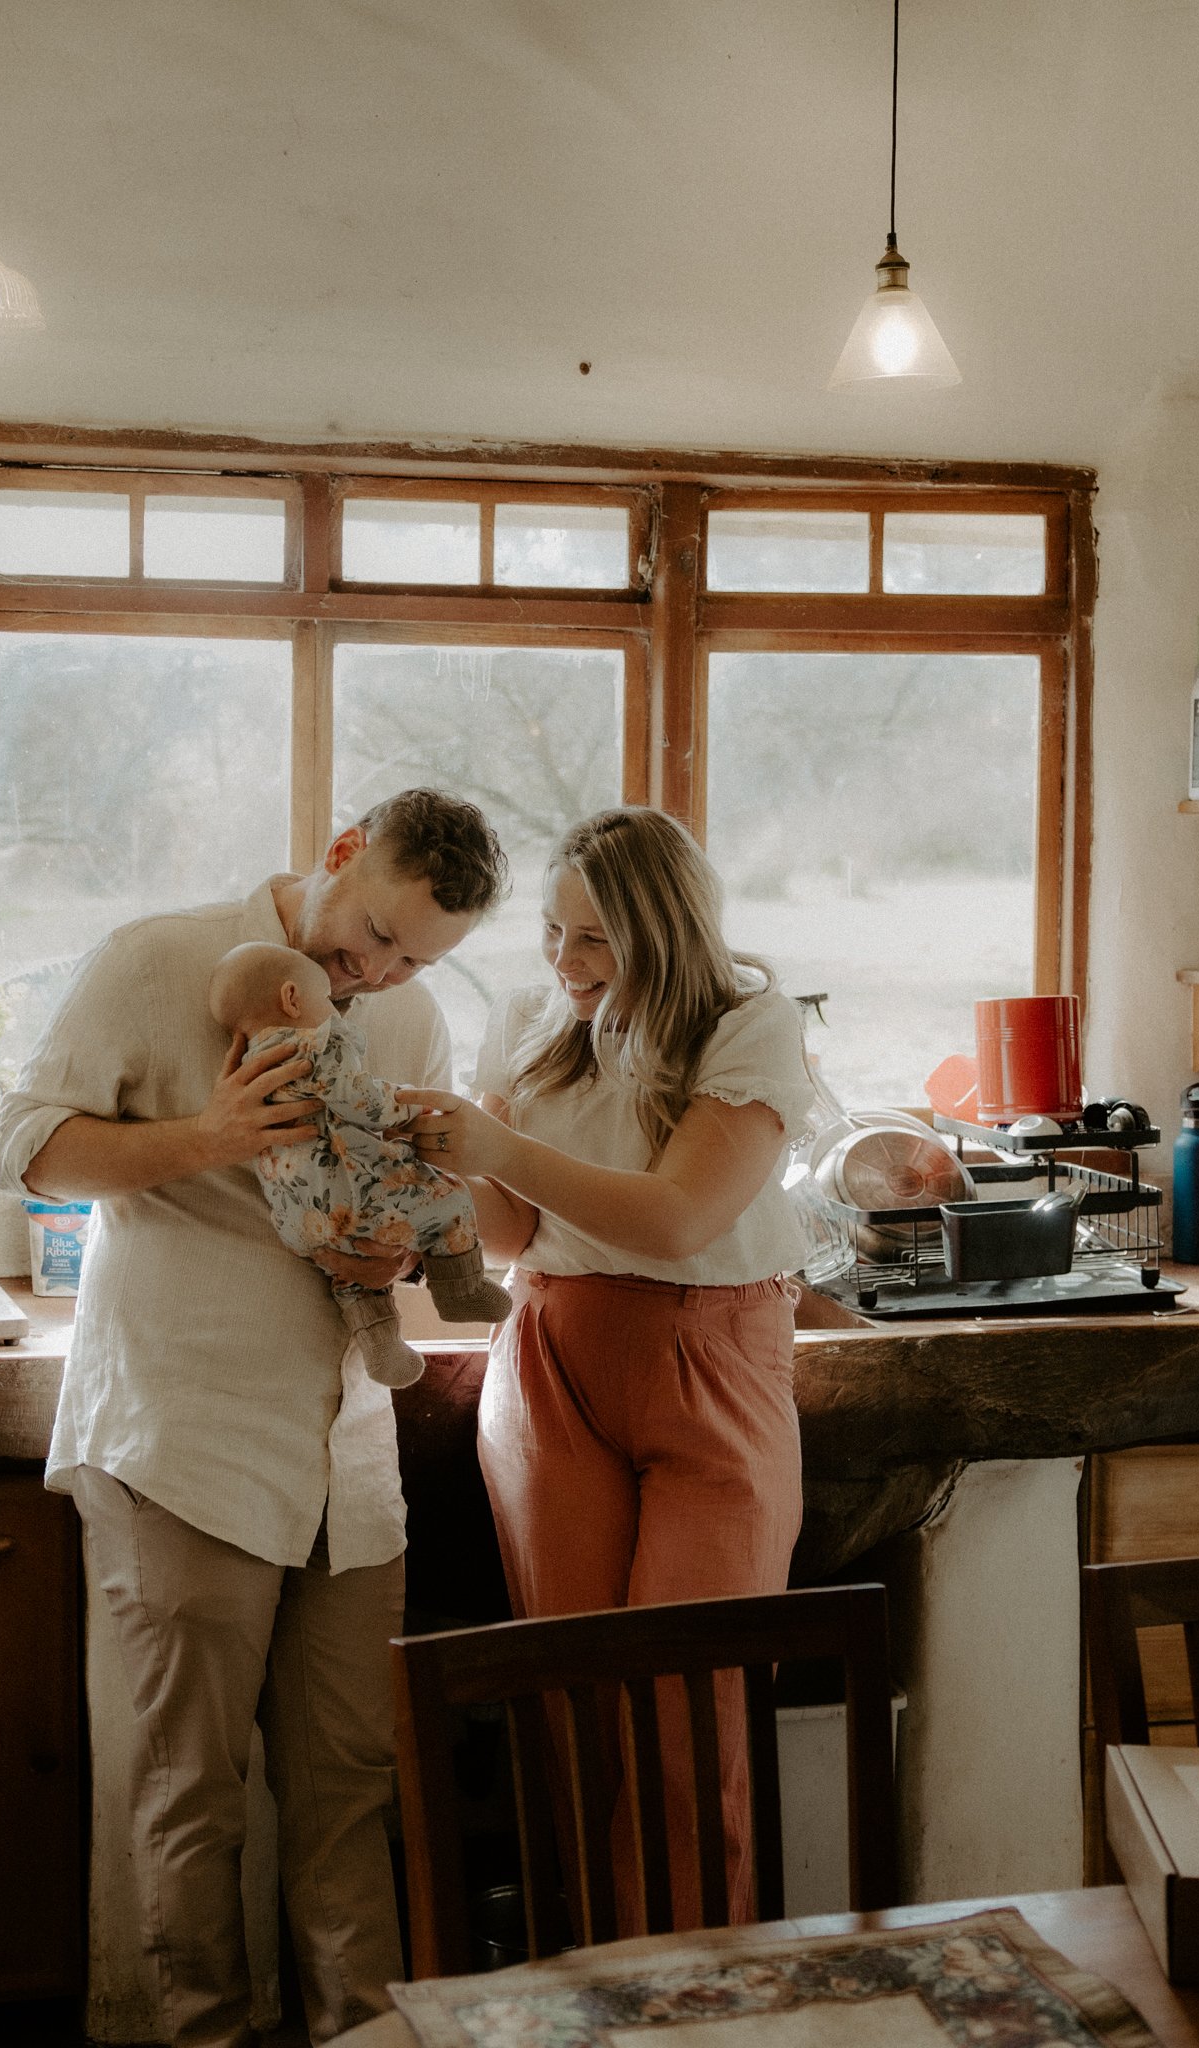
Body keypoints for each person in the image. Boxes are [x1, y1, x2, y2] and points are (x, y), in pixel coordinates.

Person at [0, 789, 509, 2048]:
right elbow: (24, 1148)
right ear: (340, 853)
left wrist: (392, 1249)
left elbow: (415, 1182)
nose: (378, 971)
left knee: (351, 1797)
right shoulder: (159, 957)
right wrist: (207, 1135)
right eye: (375, 933)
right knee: (195, 1795)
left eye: (413, 957)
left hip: (346, 1459)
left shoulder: (411, 1014)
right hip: (182, 1434)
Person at [398, 805, 815, 1932]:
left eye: (595, 939)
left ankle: (688, 1998)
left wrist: (504, 1149)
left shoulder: (749, 1023)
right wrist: (421, 1167)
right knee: (572, 1709)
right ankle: (586, 1995)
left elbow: (681, 1217)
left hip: (711, 1352)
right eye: (550, 930)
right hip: (547, 1357)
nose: (564, 962)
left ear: (667, 930)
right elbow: (510, 1229)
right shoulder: (538, 1023)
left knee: (687, 1719)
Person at [207, 940, 512, 1389]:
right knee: (449, 1196)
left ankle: (380, 1342)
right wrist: (407, 1107)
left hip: (301, 1222)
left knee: (350, 1270)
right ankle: (460, 1289)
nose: (334, 1008)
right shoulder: (313, 1047)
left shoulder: (246, 1071)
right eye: (326, 999)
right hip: (351, 1188)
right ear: (293, 999)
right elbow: (357, 1098)